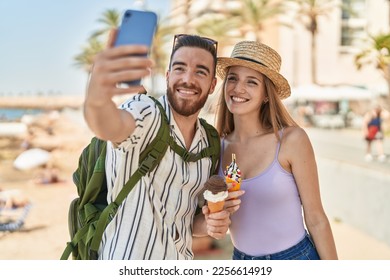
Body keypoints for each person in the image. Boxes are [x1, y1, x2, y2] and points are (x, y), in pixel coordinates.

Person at [84, 32, 239, 259]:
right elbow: (108, 125)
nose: (188, 78)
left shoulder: (209, 142)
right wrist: (98, 91)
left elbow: (189, 223)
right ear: (167, 76)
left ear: (213, 84)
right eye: (179, 68)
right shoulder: (146, 112)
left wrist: (210, 223)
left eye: (200, 71)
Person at [214, 41, 338, 260]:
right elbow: (205, 219)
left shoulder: (292, 140)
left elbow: (316, 218)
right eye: (233, 78)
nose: (238, 88)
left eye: (251, 82)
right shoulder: (216, 145)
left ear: (266, 95)